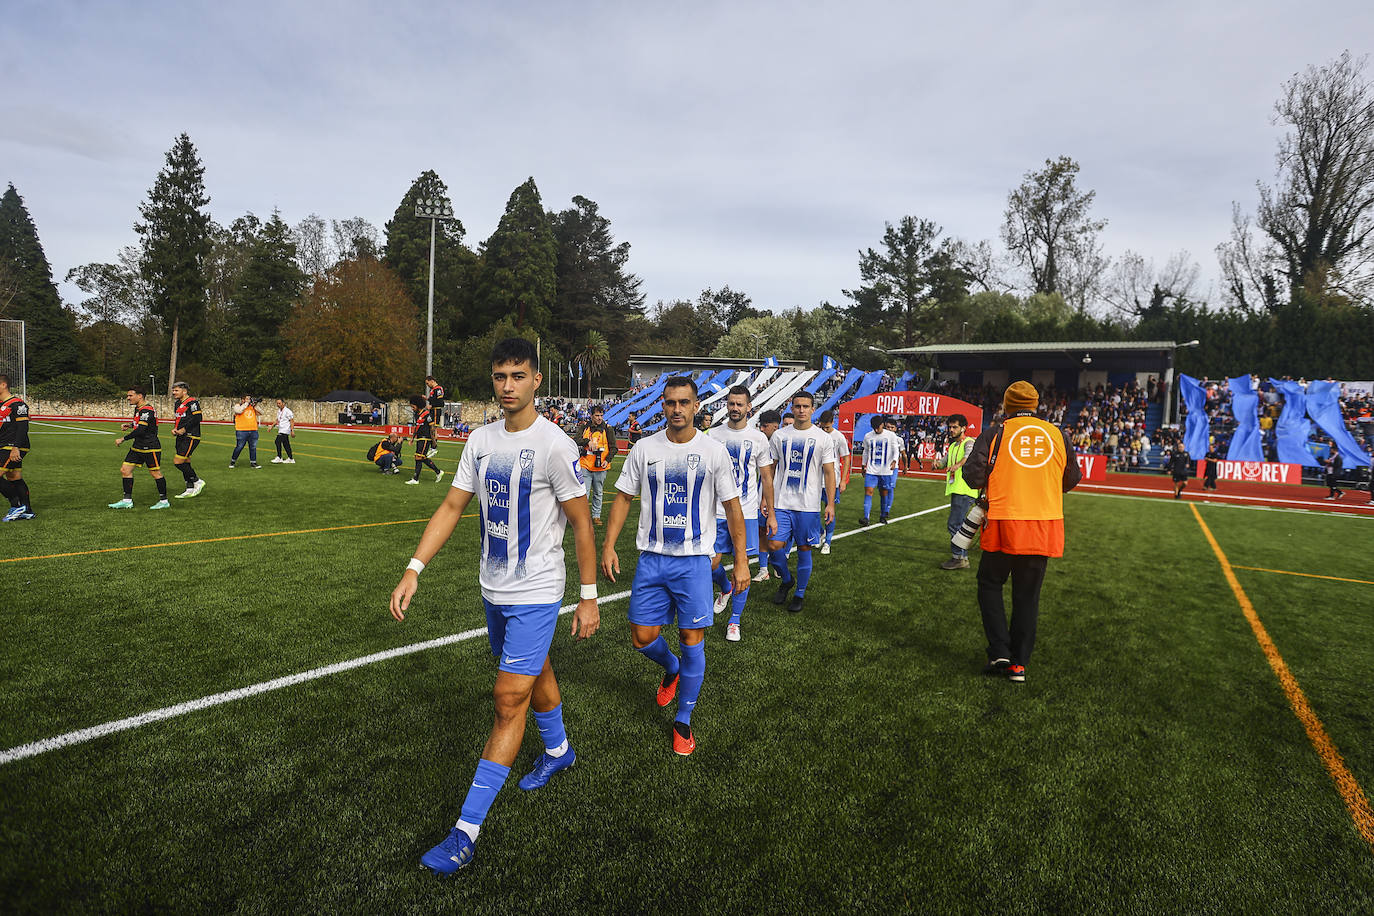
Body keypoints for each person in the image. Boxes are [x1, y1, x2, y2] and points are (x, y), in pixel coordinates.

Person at [391, 337, 599, 875]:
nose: (508, 386)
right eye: (499, 377)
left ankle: (465, 832)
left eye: (517, 376)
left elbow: (581, 522)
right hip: (493, 589)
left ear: (535, 381)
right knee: (534, 671)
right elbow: (452, 505)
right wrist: (414, 568)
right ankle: (558, 752)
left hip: (536, 590)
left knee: (509, 700)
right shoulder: (479, 442)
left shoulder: (554, 444)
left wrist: (587, 596)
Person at [601, 376, 750, 755]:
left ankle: (683, 721)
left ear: (696, 407)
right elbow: (622, 498)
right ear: (662, 406)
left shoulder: (714, 452)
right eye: (670, 403)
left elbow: (733, 508)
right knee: (641, 637)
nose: (677, 409)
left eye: (684, 402)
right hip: (651, 559)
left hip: (694, 563)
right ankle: (671, 669)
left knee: (691, 639)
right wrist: (609, 545)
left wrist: (742, 561)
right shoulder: (644, 448)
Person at [961, 381, 1081, 683]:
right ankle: (1018, 664)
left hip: (1003, 521)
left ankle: (999, 649)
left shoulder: (995, 433)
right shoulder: (1058, 434)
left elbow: (974, 476)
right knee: (1028, 596)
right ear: (1036, 405)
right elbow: (1072, 478)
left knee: (989, 584)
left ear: (1007, 405)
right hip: (1043, 523)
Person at [708, 385, 775, 641]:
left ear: (749, 407)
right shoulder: (712, 435)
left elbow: (766, 478)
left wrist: (770, 513)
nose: (735, 408)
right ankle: (724, 588)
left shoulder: (758, 438)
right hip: (714, 511)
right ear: (727, 405)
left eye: (740, 404)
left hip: (745, 512)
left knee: (741, 565)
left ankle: (734, 621)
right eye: (731, 403)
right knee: (711, 563)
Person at [765, 391, 837, 614]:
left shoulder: (823, 438)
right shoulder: (779, 436)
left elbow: (829, 472)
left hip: (807, 506)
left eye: (806, 406)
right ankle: (786, 580)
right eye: (797, 406)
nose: (801, 410)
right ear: (792, 408)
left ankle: (799, 593)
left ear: (812, 409)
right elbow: (770, 471)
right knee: (773, 545)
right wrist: (764, 499)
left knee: (804, 548)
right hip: (781, 503)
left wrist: (831, 503)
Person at [110, 386, 169, 510]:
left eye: (131, 395)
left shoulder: (147, 410)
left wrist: (123, 438)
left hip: (150, 446)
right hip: (138, 446)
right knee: (125, 470)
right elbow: (142, 424)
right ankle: (127, 501)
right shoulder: (139, 408)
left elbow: (142, 430)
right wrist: (130, 425)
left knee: (155, 473)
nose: (128, 398)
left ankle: (164, 501)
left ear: (140, 396)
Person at [935, 413, 977, 570]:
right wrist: (937, 464)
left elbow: (968, 456)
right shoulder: (952, 446)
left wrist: (958, 465)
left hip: (965, 490)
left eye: (955, 427)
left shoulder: (969, 442)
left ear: (963, 428)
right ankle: (961, 557)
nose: (951, 430)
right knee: (958, 525)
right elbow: (944, 462)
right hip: (958, 489)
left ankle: (959, 558)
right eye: (950, 427)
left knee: (954, 524)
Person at [752, 409, 783, 582]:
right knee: (762, 531)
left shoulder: (782, 442)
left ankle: (779, 563)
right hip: (762, 493)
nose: (762, 429)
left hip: (783, 495)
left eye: (765, 426)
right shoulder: (760, 442)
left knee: (779, 535)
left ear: (775, 426)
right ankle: (764, 569)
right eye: (761, 426)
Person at [575, 405, 617, 525]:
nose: (599, 418)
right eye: (597, 415)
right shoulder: (584, 427)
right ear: (591, 415)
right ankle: (582, 518)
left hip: (601, 466)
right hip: (585, 464)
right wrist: (587, 441)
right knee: (584, 493)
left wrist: (607, 460)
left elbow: (614, 448)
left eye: (601, 415)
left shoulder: (608, 429)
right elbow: (576, 439)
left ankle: (596, 516)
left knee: (598, 492)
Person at [0, 374, 34, 521]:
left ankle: (16, 505)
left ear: (3, 385)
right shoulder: (2, 405)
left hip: (12, 446)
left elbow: (22, 427)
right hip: (5, 445)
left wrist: (16, 447)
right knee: (14, 477)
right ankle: (27, 510)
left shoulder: (17, 404)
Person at [817, 409, 850, 554]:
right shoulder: (816, 435)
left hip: (832, 480)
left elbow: (847, 457)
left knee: (829, 511)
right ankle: (820, 533)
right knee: (810, 512)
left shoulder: (839, 437)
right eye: (822, 427)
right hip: (816, 479)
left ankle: (827, 542)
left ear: (832, 423)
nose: (824, 430)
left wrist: (843, 480)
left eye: (827, 427)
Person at [859, 416, 902, 524]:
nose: (876, 430)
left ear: (882, 425)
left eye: (877, 427)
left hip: (885, 471)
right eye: (874, 428)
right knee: (868, 491)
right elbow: (865, 451)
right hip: (871, 470)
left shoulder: (891, 435)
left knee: (883, 493)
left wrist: (894, 461)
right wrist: (863, 465)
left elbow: (895, 450)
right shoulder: (868, 436)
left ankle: (883, 515)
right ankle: (866, 517)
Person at [169, 381, 205, 498]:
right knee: (185, 461)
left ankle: (197, 481)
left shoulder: (192, 402)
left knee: (178, 461)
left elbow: (198, 417)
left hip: (191, 436)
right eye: (173, 390)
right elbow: (179, 419)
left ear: (184, 391)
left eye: (176, 390)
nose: (173, 393)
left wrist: (184, 429)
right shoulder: (177, 404)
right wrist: (176, 429)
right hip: (180, 436)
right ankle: (189, 488)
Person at [405, 396, 444, 484]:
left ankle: (415, 479)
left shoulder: (426, 414)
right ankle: (438, 472)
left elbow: (432, 428)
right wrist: (412, 438)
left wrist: (433, 441)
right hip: (420, 438)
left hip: (426, 438)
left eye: (413, 406)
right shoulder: (417, 414)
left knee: (418, 457)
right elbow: (417, 427)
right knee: (421, 457)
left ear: (418, 405)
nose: (412, 408)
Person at [229, 394, 261, 469]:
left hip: (253, 430)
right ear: (242, 400)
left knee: (253, 447)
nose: (249, 400)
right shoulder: (238, 406)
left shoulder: (252, 407)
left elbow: (261, 413)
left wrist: (255, 405)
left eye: (249, 399)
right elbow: (239, 411)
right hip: (241, 430)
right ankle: (233, 461)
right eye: (247, 399)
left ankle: (253, 462)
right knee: (239, 447)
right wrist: (246, 404)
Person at [270, 398, 296, 464]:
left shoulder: (288, 411)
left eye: (279, 403)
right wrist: (271, 426)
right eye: (277, 403)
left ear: (283, 403)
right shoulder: (279, 411)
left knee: (277, 441)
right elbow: (277, 420)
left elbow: (292, 421)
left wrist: (292, 430)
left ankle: (279, 457)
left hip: (285, 430)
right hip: (281, 429)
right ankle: (291, 458)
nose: (278, 405)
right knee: (286, 444)